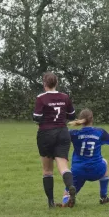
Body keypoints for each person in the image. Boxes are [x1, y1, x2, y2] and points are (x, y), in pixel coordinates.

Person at [61, 109, 109, 206]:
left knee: (66, 194)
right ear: (92, 119)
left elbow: (60, 137)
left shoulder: (74, 134)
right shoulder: (100, 132)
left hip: (78, 171)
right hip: (96, 169)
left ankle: (67, 200)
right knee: (105, 162)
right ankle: (103, 197)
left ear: (80, 120)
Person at [33, 72, 77, 208]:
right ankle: (70, 186)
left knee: (47, 170)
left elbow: (36, 116)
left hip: (46, 134)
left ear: (44, 84)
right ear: (56, 83)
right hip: (63, 133)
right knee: (63, 167)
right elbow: (72, 115)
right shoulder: (65, 97)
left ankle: (51, 202)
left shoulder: (41, 98)